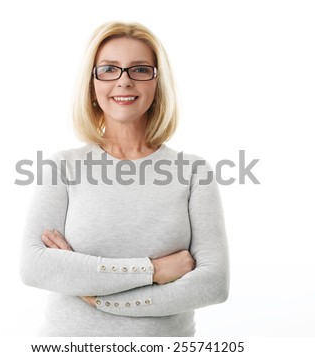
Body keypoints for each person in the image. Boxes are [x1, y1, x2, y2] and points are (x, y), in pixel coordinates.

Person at [19, 21, 230, 337]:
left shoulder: (193, 172)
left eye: (140, 70)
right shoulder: (62, 166)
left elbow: (213, 285)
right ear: (92, 85)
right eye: (109, 69)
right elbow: (36, 266)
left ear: (157, 84)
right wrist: (152, 271)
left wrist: (97, 296)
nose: (124, 81)